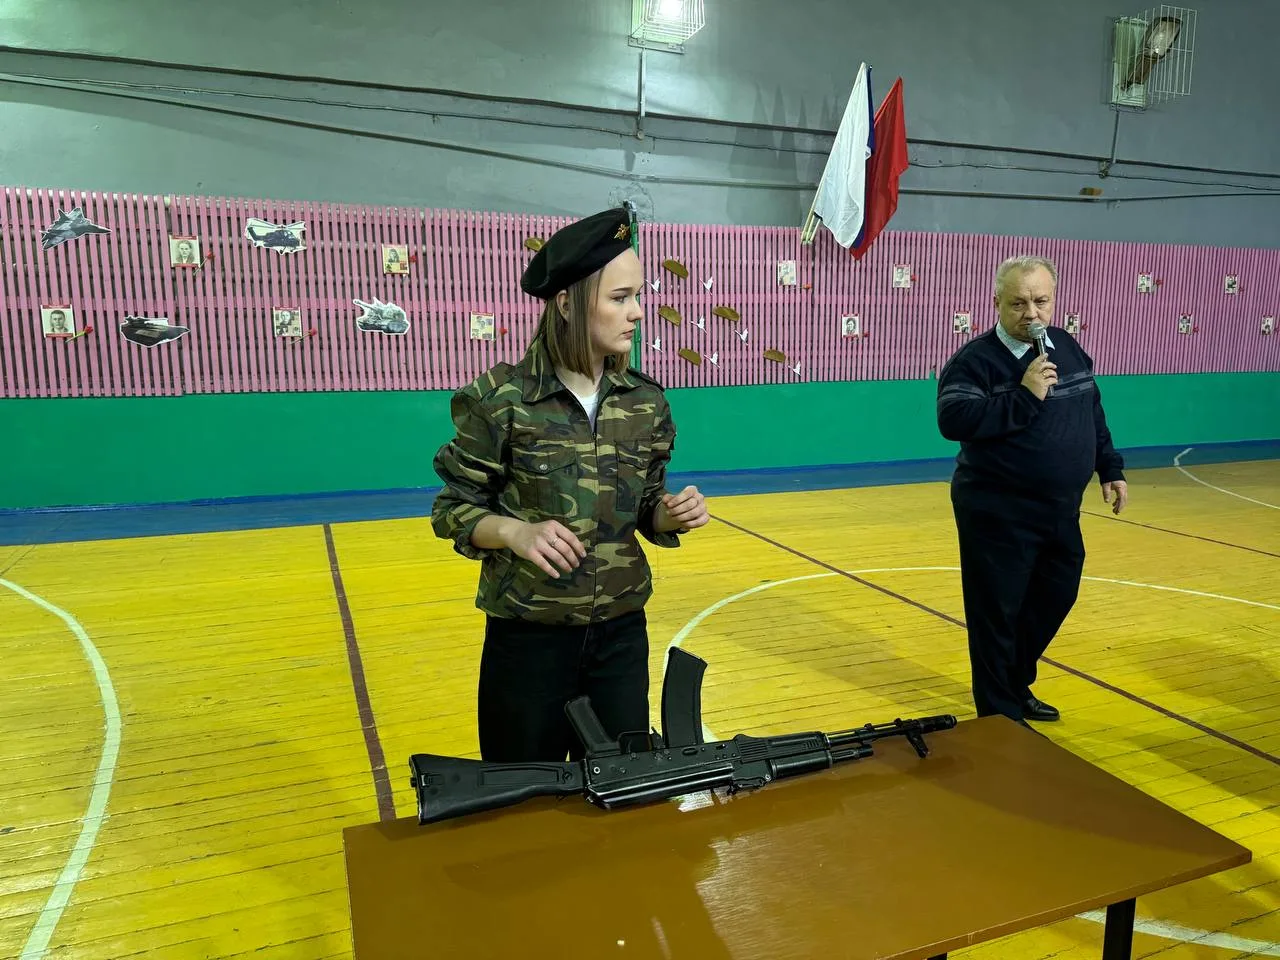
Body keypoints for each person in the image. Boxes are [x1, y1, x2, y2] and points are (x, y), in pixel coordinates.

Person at [431, 206, 710, 763]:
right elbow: (453, 508)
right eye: (620, 298)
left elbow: (645, 503)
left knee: (621, 786)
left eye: (637, 296)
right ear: (567, 303)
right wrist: (514, 532)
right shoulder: (503, 402)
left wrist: (668, 513)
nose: (637, 312)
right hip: (529, 638)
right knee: (523, 794)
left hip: (620, 637)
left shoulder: (645, 402)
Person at [936, 255, 1128, 728]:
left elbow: (1091, 411)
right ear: (997, 303)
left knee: (1054, 597)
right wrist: (1023, 395)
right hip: (997, 511)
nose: (1031, 313)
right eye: (1018, 303)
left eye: (1041, 301)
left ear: (1053, 300)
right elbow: (954, 421)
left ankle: (1015, 685)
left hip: (1059, 509)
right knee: (997, 615)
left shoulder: (1067, 347)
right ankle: (999, 717)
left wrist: (1109, 466)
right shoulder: (974, 361)